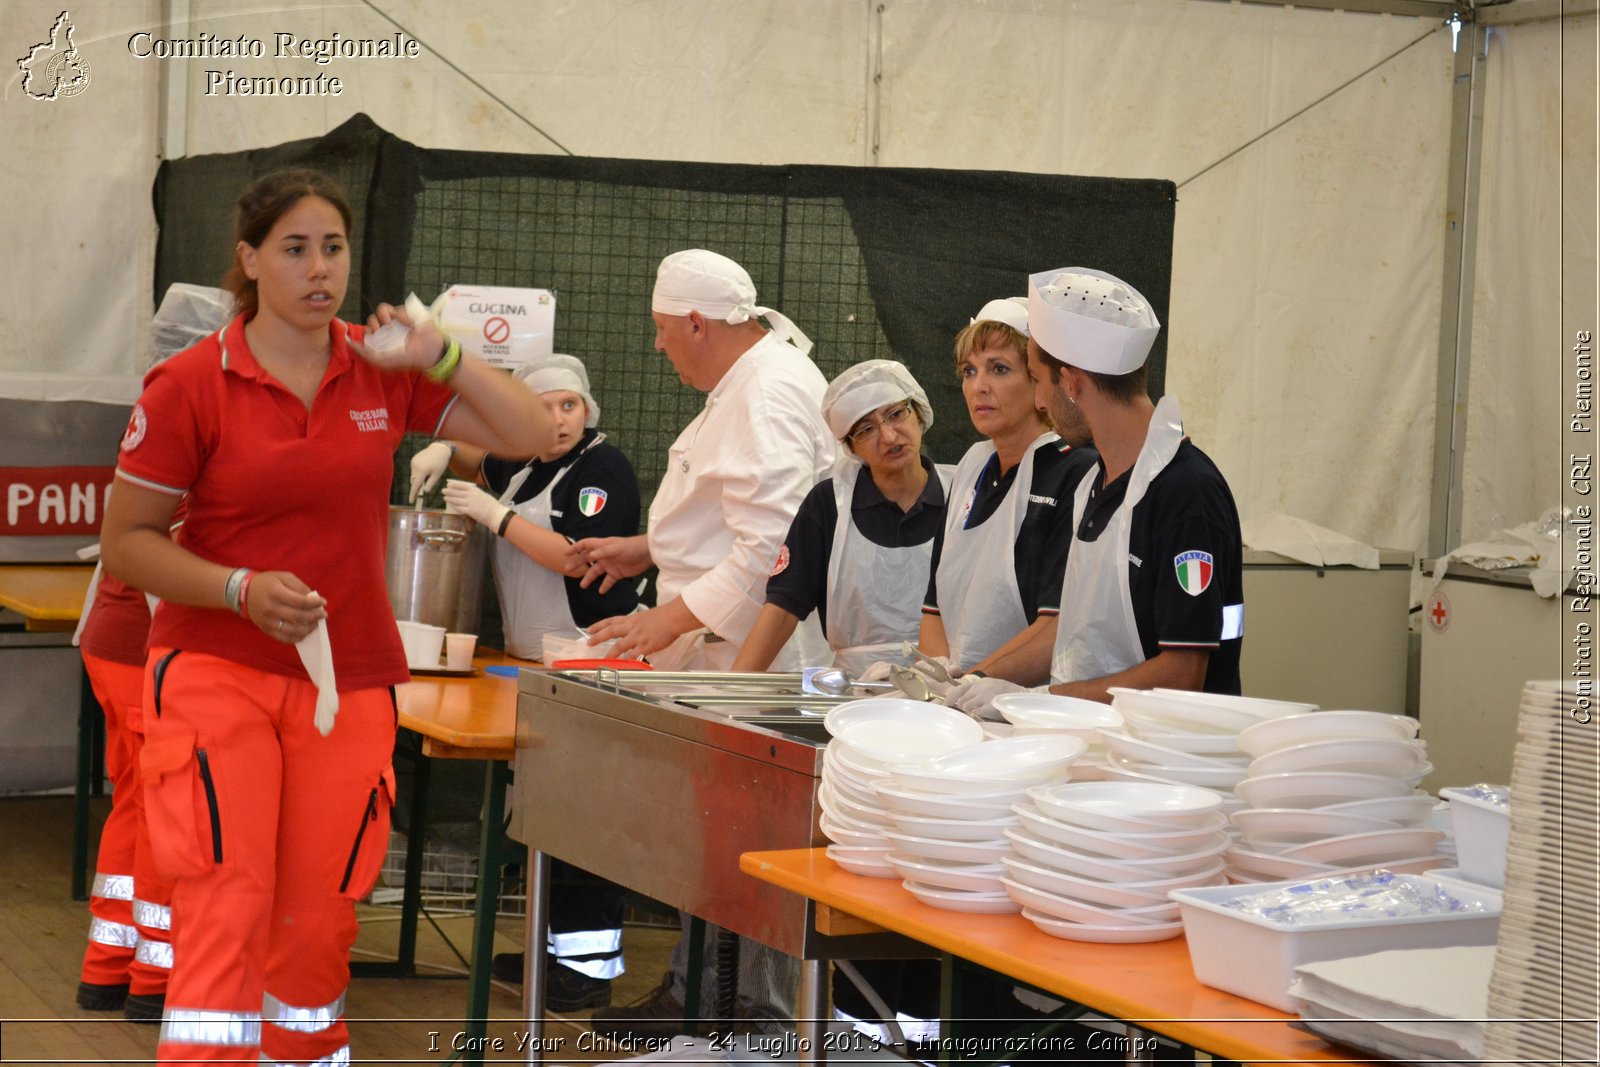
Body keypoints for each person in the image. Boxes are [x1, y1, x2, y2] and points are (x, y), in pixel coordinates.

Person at [100, 168, 552, 1065]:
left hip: (348, 682)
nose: (319, 269)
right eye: (295, 248)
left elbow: (533, 433)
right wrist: (237, 587)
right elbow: (128, 542)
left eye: (334, 248)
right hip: (213, 669)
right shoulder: (190, 384)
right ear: (250, 261)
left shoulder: (380, 367)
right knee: (228, 895)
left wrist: (443, 356)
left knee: (319, 909)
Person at [572, 248, 837, 1041]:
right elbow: (723, 515)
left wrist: (672, 617)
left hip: (759, 663)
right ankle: (695, 997)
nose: (657, 346)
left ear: (697, 322)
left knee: (751, 847)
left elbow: (771, 551)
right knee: (715, 840)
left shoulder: (769, 392)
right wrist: (645, 548)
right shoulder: (749, 381)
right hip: (725, 658)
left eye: (661, 330)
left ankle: (749, 1016)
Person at [414, 353, 639, 1011]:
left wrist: (495, 516)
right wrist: (438, 447)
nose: (558, 419)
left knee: (585, 817)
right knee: (547, 814)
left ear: (587, 410)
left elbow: (578, 558)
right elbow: (473, 456)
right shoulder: (523, 465)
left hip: (592, 662)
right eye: (541, 407)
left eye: (569, 405)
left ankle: (587, 967)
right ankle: (552, 948)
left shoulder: (604, 469)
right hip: (534, 664)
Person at [948, 267, 1244, 716]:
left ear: (1071, 383)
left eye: (1039, 381)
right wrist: (978, 682)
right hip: (1099, 746)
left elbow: (1183, 674)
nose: (1041, 403)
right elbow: (1074, 629)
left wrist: (1041, 700)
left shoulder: (1185, 492)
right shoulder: (1094, 484)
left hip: (1169, 765)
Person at [730, 359, 946, 676]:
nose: (888, 436)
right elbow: (783, 608)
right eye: (867, 429)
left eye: (896, 414)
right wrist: (730, 696)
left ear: (919, 413)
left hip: (947, 689)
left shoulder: (964, 494)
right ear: (850, 446)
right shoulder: (829, 505)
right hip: (857, 695)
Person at [919, 297, 1097, 672]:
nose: (978, 387)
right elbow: (933, 607)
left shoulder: (1075, 471)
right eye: (969, 371)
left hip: (1030, 705)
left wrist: (969, 682)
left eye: (999, 369)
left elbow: (1057, 626)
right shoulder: (970, 467)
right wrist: (938, 679)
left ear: (1039, 381)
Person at [73, 565, 173, 1024]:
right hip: (146, 649)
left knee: (137, 802)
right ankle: (155, 979)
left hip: (114, 638)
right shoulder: (189, 489)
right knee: (165, 809)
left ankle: (107, 967)